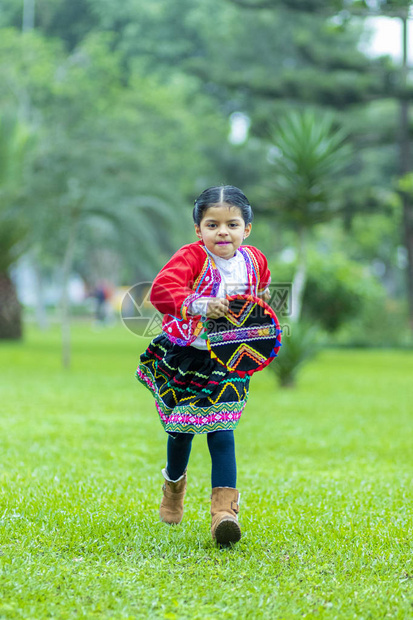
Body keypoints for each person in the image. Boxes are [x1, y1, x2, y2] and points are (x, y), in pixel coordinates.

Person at [136, 185, 271, 545]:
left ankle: (224, 515)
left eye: (232, 224)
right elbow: (161, 291)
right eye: (212, 225)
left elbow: (258, 290)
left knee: (222, 433)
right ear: (199, 230)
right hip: (187, 356)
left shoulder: (255, 260)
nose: (222, 232)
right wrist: (199, 304)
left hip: (227, 360)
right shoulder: (192, 257)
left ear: (247, 229)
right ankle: (173, 487)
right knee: (180, 434)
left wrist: (260, 299)